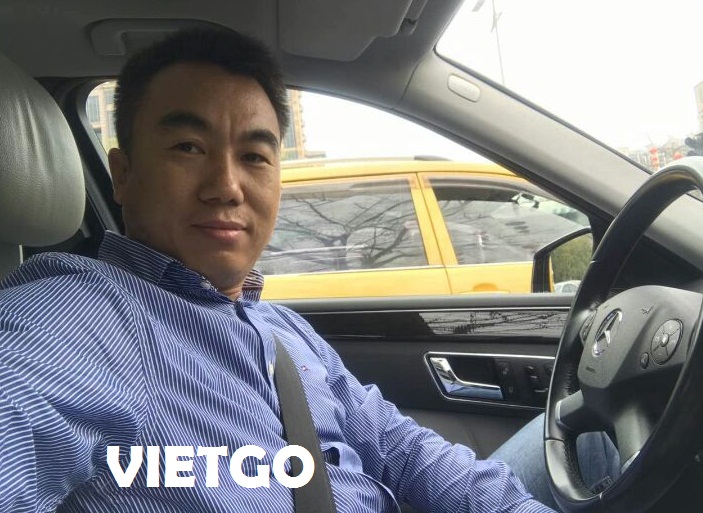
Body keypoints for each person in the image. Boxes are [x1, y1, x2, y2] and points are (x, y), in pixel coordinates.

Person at [0, 28, 611, 513]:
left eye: (254, 155)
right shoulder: (72, 318)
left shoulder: (279, 328)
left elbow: (398, 447)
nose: (227, 186)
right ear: (124, 175)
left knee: (592, 434)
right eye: (189, 147)